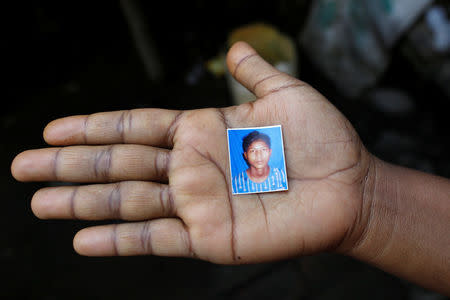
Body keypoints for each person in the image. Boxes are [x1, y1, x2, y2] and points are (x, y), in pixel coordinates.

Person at [10, 42, 450, 296]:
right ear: (249, 157)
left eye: (262, 154)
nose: (259, 159)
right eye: (255, 155)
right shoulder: (252, 170)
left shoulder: (268, 171)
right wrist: (369, 201)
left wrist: (366, 201)